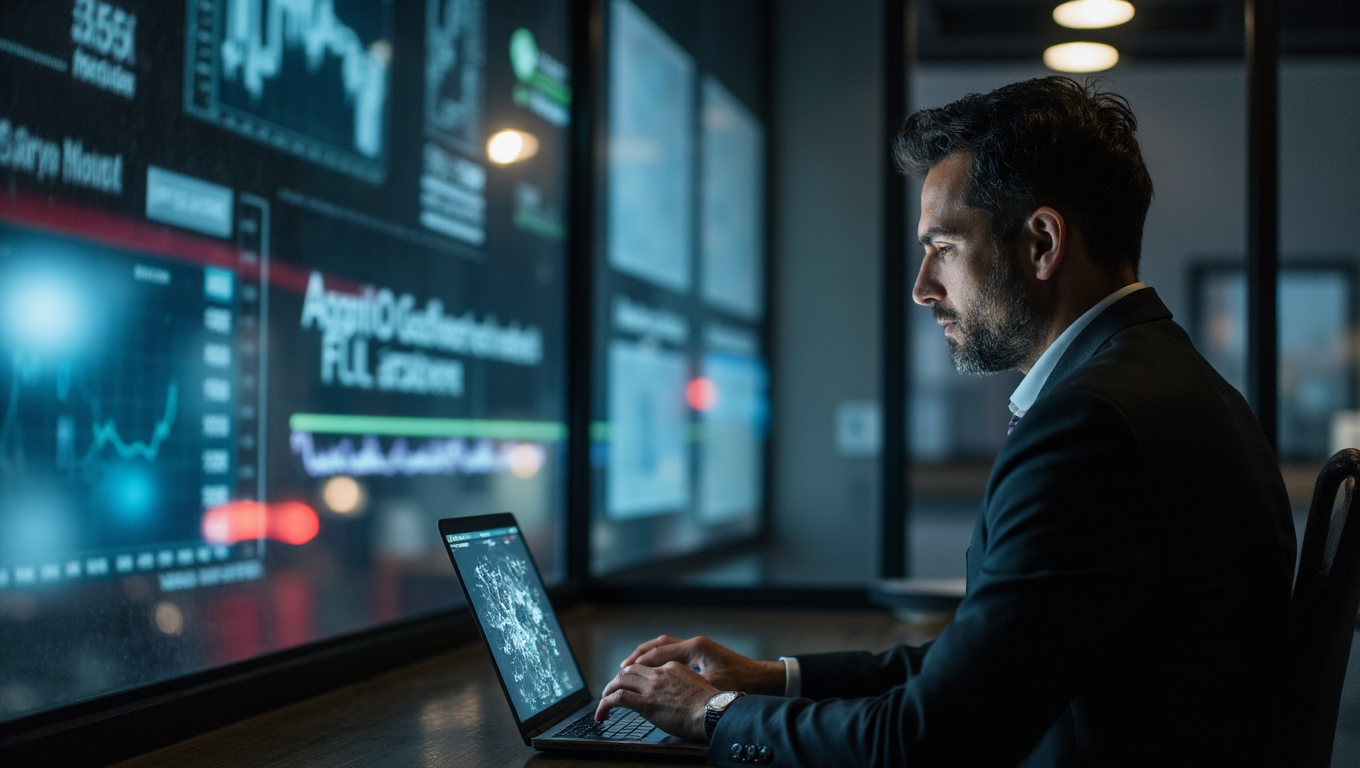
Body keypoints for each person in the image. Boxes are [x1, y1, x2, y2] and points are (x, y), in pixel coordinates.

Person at [593, 76, 1297, 767]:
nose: (922, 287)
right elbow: (989, 663)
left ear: (1044, 243)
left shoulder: (1091, 424)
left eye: (945, 248)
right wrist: (770, 678)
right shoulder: (1174, 384)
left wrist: (709, 714)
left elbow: (927, 741)